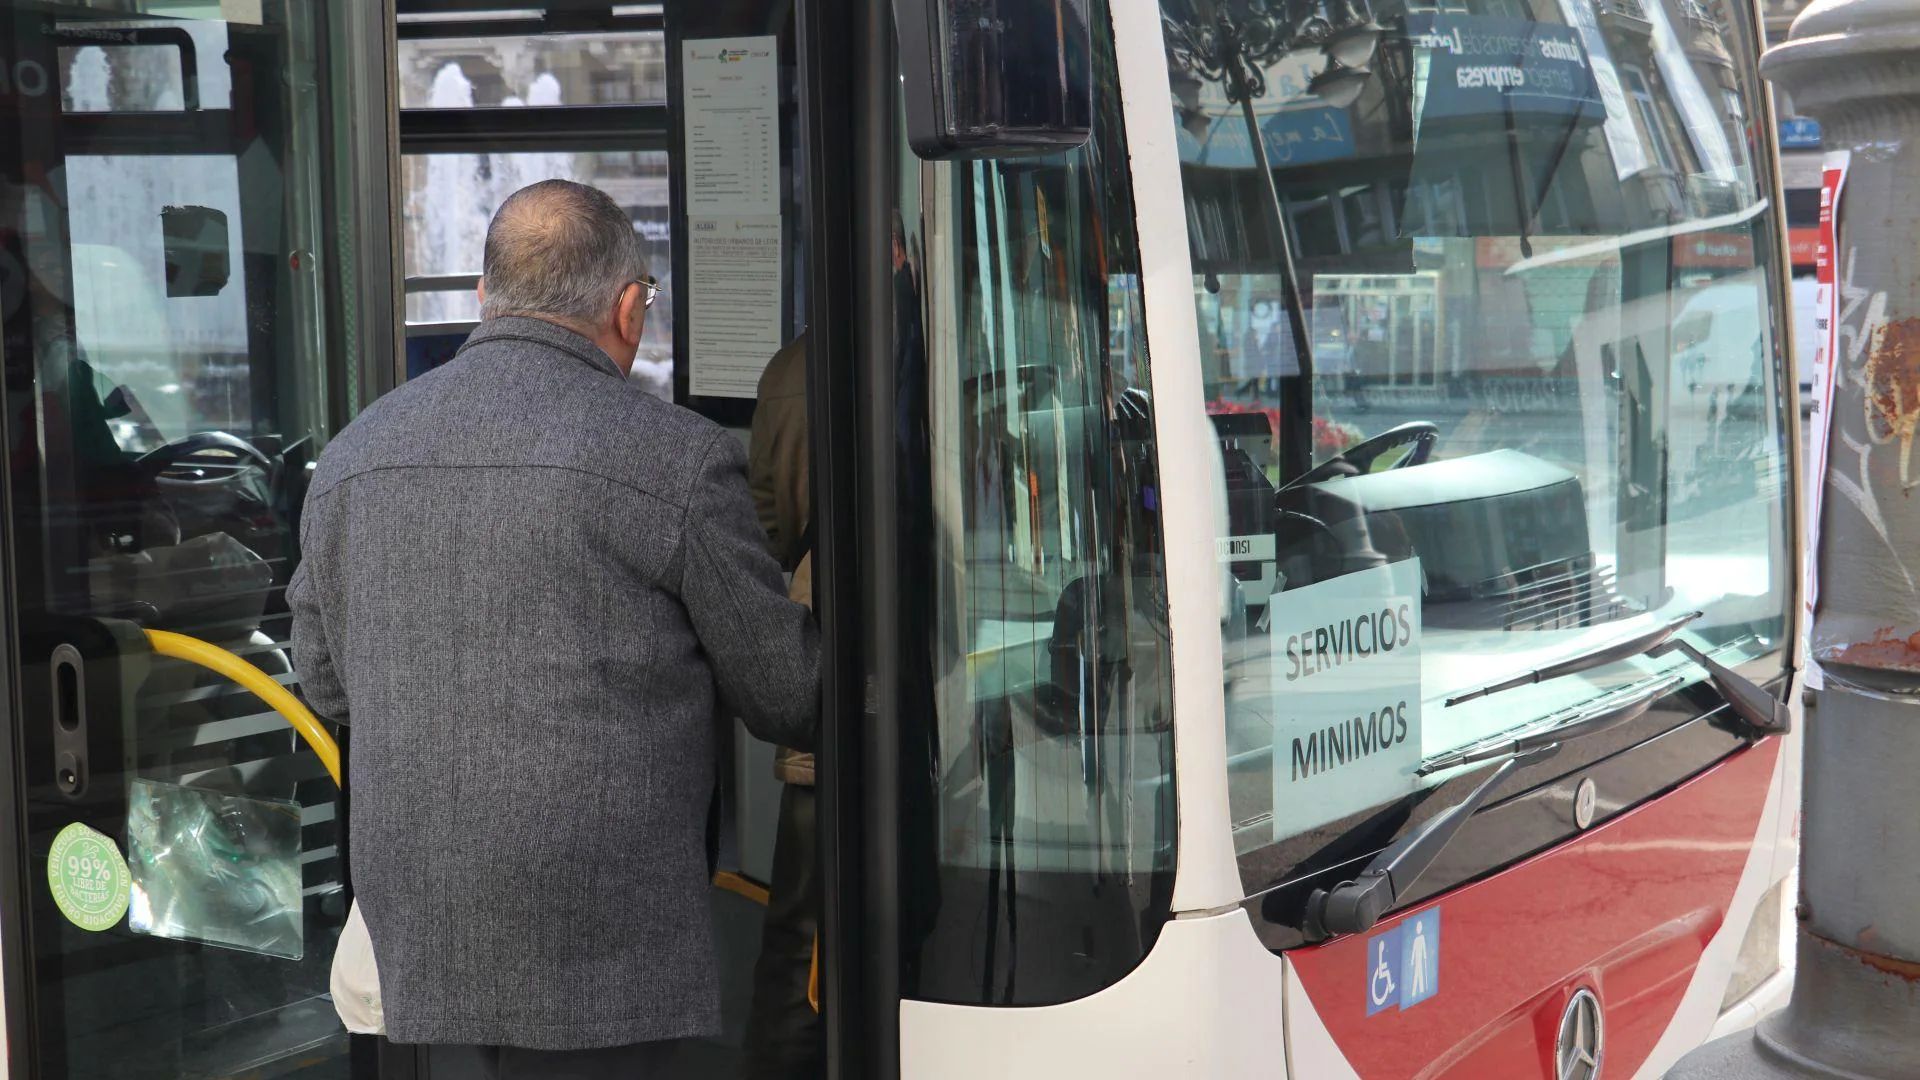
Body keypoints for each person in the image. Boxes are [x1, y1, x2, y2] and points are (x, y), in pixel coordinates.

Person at [289, 179, 819, 1078]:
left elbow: (327, 681)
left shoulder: (353, 454)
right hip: (601, 958)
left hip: (418, 937)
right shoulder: (676, 457)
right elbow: (785, 690)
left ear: (487, 300)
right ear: (626, 308)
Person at [741, 331, 821, 1077]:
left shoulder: (793, 367)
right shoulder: (944, 339)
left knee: (800, 922)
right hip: (936, 678)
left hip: (823, 660)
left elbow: (765, 524)